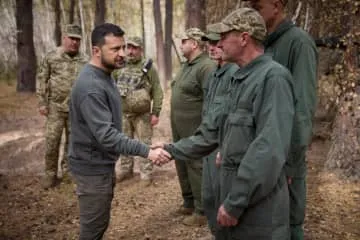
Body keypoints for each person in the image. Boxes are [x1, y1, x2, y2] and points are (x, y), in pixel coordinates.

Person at [153, 7, 295, 239]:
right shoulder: (237, 78)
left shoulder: (273, 78)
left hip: (258, 211)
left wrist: (235, 202)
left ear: (244, 38)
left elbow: (267, 149)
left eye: (224, 36)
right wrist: (169, 150)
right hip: (231, 201)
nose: (218, 44)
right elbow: (210, 134)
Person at [68, 23, 170, 240]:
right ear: (96, 51)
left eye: (124, 47)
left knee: (99, 224)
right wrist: (146, 151)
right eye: (115, 49)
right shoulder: (92, 86)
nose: (123, 53)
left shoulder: (106, 75)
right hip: (92, 168)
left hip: (100, 164)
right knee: (92, 230)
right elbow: (106, 135)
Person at [247, 1, 318, 239]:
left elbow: (303, 110)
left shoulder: (299, 43)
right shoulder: (262, 45)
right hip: (262, 154)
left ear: (276, 6)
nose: (252, 13)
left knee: (290, 223)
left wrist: (291, 162)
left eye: (257, 7)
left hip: (285, 158)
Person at [171, 27, 216, 226]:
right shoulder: (186, 65)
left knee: (196, 164)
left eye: (184, 41)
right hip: (179, 125)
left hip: (194, 126)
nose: (181, 45)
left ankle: (202, 210)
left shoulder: (206, 67)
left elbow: (210, 100)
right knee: (180, 161)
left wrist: (204, 128)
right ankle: (188, 202)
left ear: (194, 44)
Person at [36, 24, 88, 189]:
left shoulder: (85, 60)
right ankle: (50, 174)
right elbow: (42, 79)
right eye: (71, 38)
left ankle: (68, 172)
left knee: (73, 143)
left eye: (77, 39)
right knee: (52, 141)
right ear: (64, 38)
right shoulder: (52, 57)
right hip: (55, 108)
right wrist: (42, 102)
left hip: (76, 110)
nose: (74, 42)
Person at [200, 32, 238, 240]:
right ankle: (217, 234)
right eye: (210, 44)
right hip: (209, 144)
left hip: (222, 147)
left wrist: (226, 147)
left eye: (216, 43)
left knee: (223, 198)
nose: (212, 47)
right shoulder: (214, 73)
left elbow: (234, 115)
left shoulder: (234, 73)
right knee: (208, 197)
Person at [112, 36, 163, 186]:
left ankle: (146, 173)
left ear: (141, 50)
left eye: (135, 48)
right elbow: (111, 86)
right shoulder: (119, 66)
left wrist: (156, 112)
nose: (131, 51)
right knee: (123, 142)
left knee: (145, 143)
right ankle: (126, 169)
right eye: (129, 47)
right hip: (123, 113)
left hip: (142, 115)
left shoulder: (148, 67)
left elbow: (157, 91)